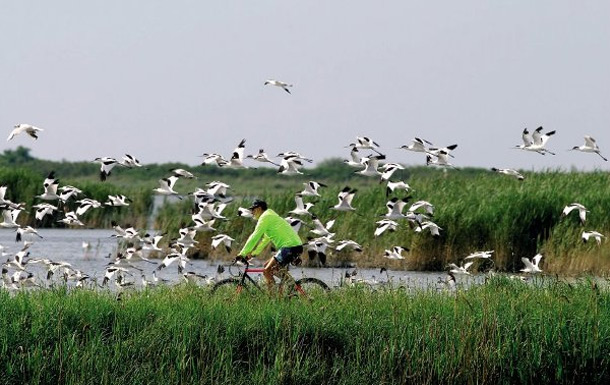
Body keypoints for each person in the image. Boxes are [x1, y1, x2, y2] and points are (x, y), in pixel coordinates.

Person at [237, 199, 304, 292]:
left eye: (253, 209)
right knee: (267, 267)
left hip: (290, 247)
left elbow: (255, 236)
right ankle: (292, 287)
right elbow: (265, 240)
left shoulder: (265, 217)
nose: (252, 212)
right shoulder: (270, 217)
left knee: (267, 270)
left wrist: (242, 253)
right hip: (293, 246)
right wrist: (253, 254)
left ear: (259, 208)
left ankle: (273, 299)